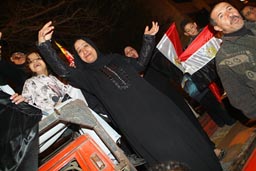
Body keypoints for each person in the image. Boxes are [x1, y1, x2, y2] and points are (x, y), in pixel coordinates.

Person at [36, 20, 223, 171]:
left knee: (187, 140)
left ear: (93, 46)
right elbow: (65, 72)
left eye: (86, 45)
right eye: (79, 51)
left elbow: (140, 64)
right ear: (78, 57)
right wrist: (45, 46)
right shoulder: (87, 77)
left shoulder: (116, 59)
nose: (85, 50)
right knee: (169, 153)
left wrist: (148, 40)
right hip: (138, 126)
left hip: (161, 109)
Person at [21, 51, 121, 160]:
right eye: (31, 61)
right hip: (50, 117)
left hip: (69, 113)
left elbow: (72, 93)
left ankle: (111, 155)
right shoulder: (29, 82)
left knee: (75, 88)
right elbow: (27, 106)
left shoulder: (57, 78)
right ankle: (111, 139)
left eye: (38, 58)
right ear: (29, 67)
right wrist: (22, 101)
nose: (35, 62)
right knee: (73, 105)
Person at [180, 19, 236, 127]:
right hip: (212, 73)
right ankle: (234, 113)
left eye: (191, 27)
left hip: (224, 63)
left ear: (195, 24)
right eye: (188, 31)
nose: (191, 31)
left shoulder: (208, 32)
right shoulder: (190, 48)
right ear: (186, 34)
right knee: (225, 94)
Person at [210, 2, 256, 119]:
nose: (229, 14)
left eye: (229, 8)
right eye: (221, 15)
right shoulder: (224, 58)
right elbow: (239, 96)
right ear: (218, 27)